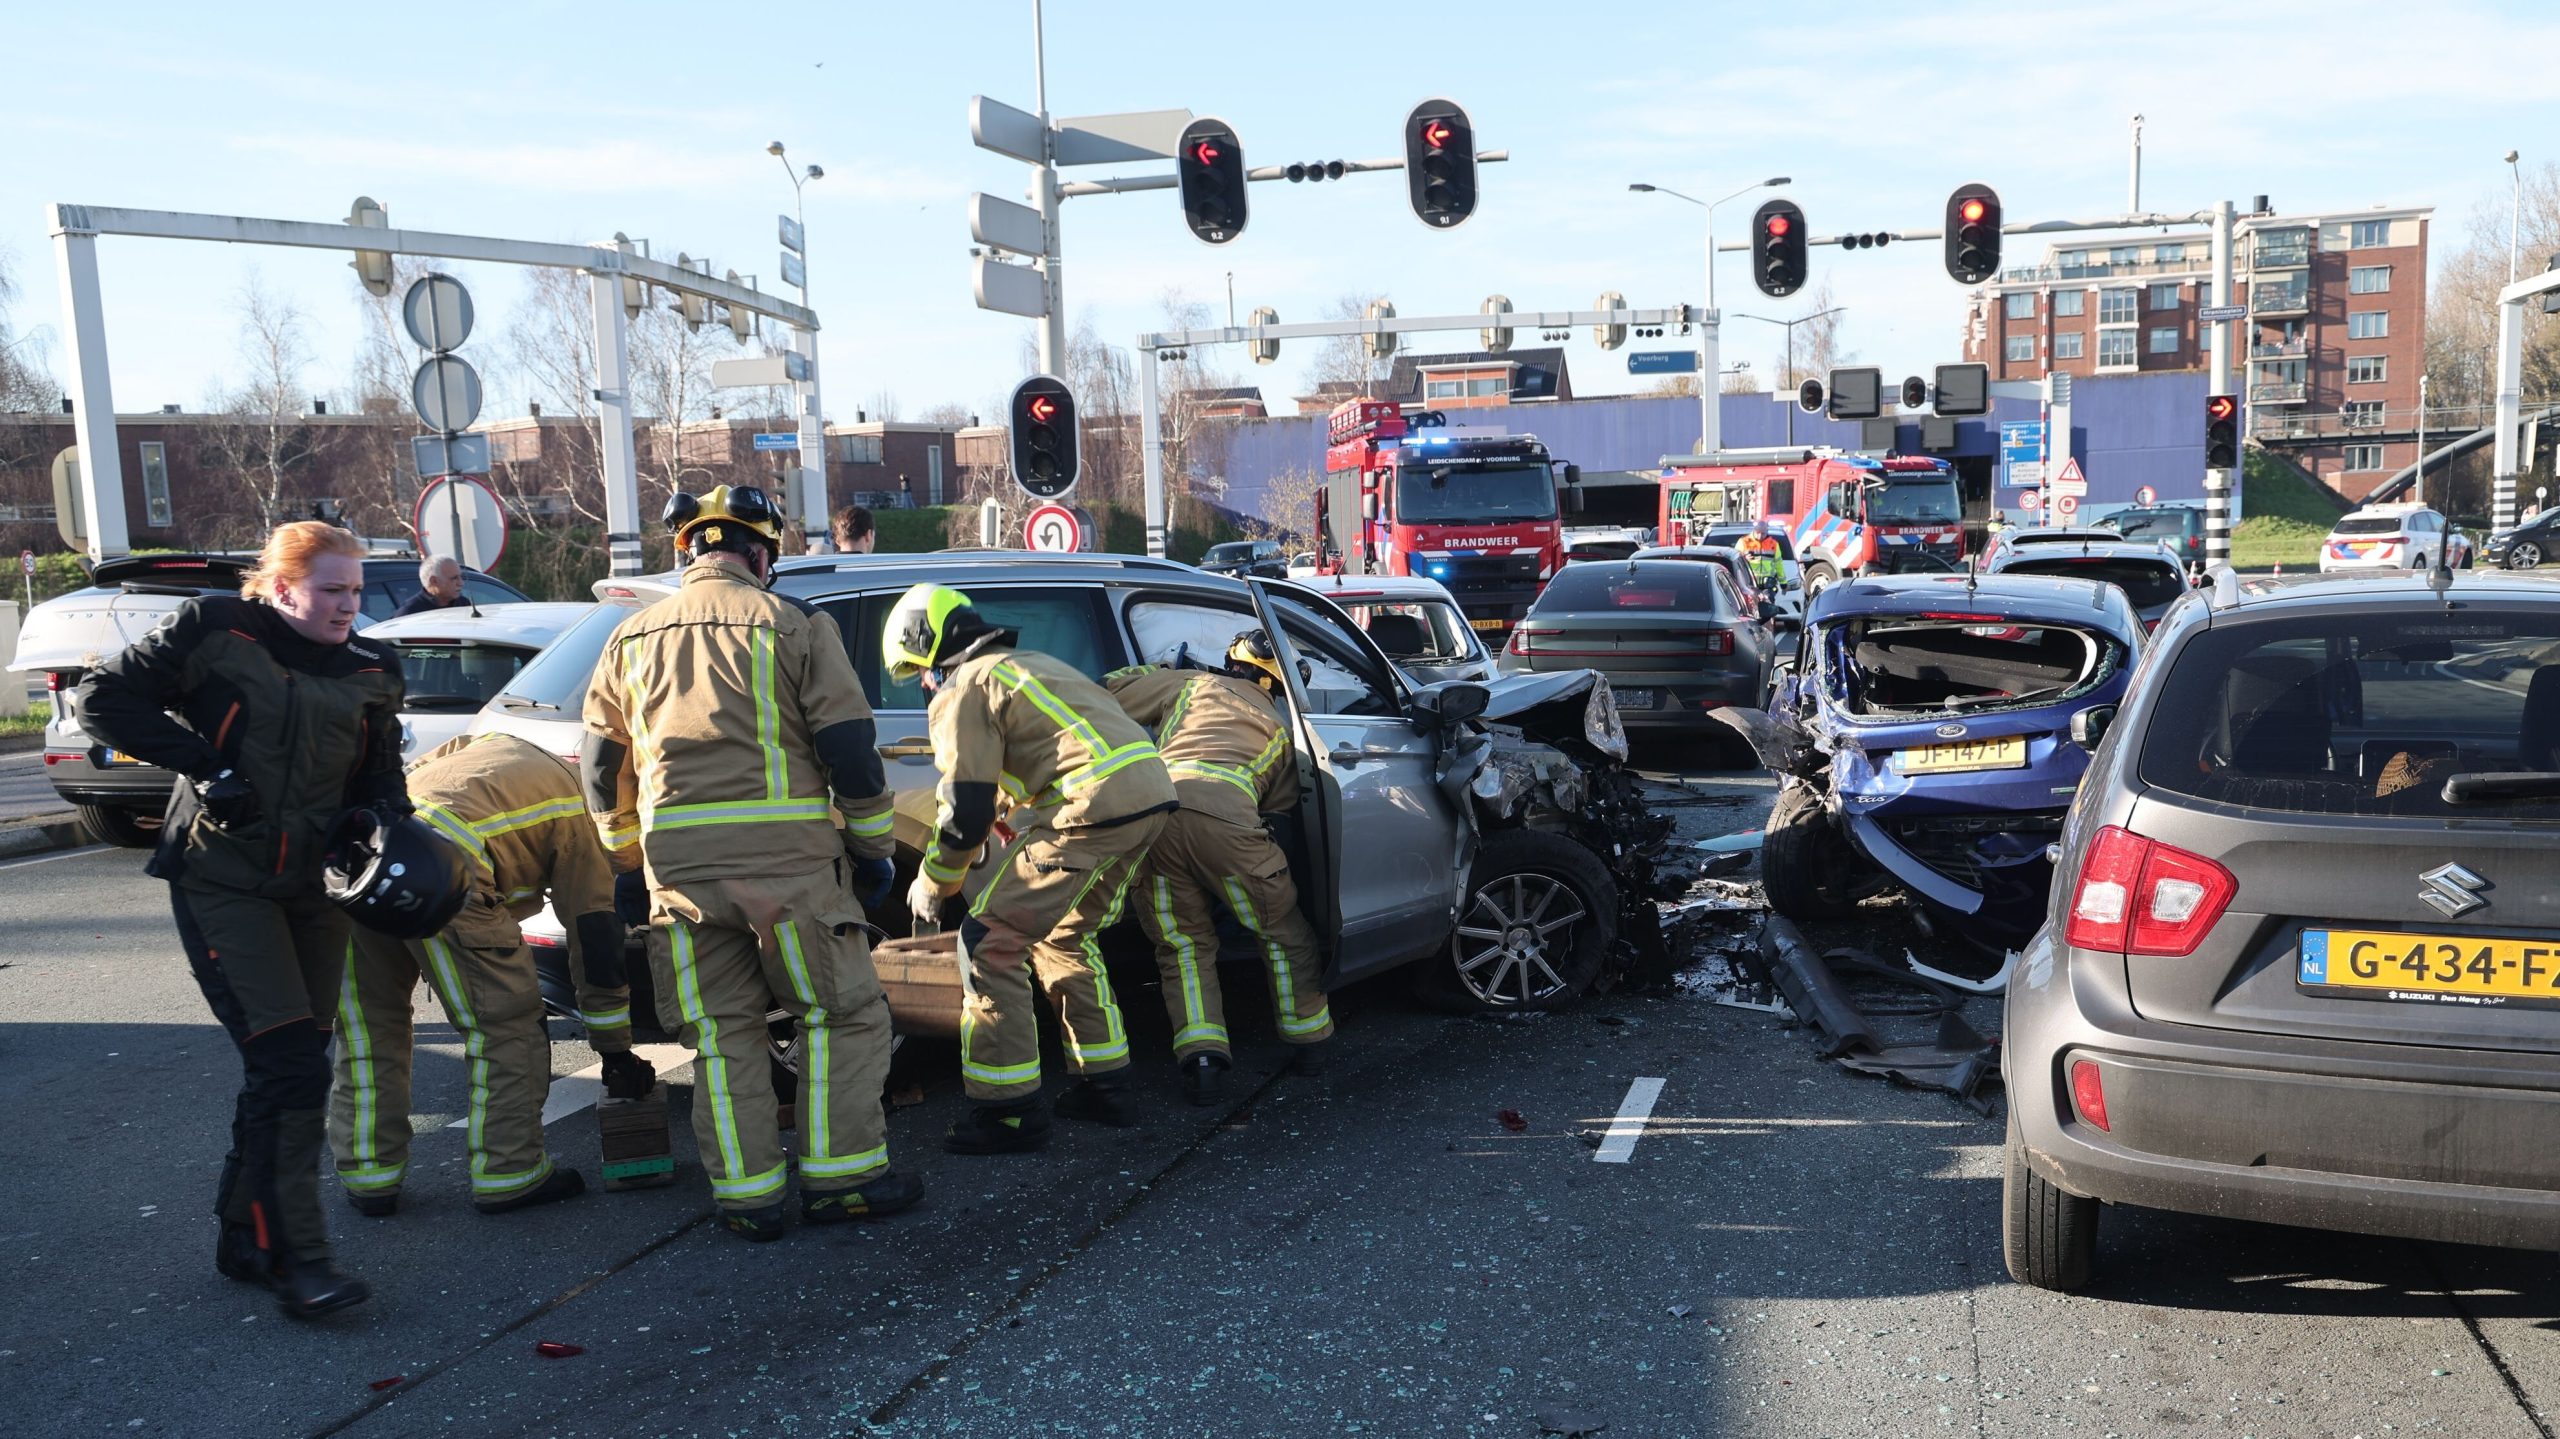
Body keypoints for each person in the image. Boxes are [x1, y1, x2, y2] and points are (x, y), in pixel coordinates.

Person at [77, 520, 410, 1319]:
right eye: (332, 590)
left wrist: (395, 840)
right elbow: (102, 697)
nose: (348, 605)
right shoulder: (217, 628)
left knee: (289, 1066)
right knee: (290, 1066)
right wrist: (205, 765)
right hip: (222, 878)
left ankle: (245, 1237)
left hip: (314, 891)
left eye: (356, 590)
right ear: (282, 587)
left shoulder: (372, 667)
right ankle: (299, 1259)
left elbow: (380, 781)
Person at [582, 484, 917, 1242]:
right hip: (790, 873)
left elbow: (602, 768)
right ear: (762, 555)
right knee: (840, 1015)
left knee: (721, 1035)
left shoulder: (628, 639)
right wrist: (872, 852)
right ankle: (844, 1181)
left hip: (680, 881)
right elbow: (849, 751)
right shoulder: (794, 623)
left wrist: (627, 862)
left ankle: (749, 1199)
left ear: (689, 553)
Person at [885, 583, 1177, 1152]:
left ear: (931, 648)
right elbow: (1040, 753)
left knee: (988, 941)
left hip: (1088, 811)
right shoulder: (1028, 665)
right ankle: (1105, 1086)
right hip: (1148, 799)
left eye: (919, 670)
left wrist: (934, 881)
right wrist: (1003, 809)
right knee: (1064, 937)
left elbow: (964, 810)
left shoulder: (964, 687)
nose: (923, 684)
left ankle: (1009, 1113)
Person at [330, 731, 650, 1217]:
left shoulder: (494, 743)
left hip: (370, 860)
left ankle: (369, 1176)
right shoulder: (582, 814)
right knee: (506, 1025)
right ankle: (511, 1172)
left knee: (369, 1025)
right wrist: (616, 1050)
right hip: (448, 875)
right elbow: (595, 940)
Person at [1105, 645, 1331, 1107]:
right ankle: (1308, 1040)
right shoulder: (1282, 727)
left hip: (1157, 817)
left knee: (1182, 946)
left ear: (1232, 664)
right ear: (1280, 685)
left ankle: (1202, 1061)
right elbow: (1281, 809)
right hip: (1229, 826)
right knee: (1281, 932)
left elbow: (1110, 690)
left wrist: (1164, 667)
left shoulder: (1193, 684)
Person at [392, 556, 469, 618]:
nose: (461, 583)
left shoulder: (463, 604)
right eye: (454, 578)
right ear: (434, 581)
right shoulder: (410, 613)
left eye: (460, 577)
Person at [1739, 519, 1784, 592]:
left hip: (1768, 585)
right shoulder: (1743, 542)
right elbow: (1735, 560)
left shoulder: (1773, 544)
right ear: (1754, 530)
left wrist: (1783, 582)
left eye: (1763, 533)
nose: (1760, 536)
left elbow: (1778, 564)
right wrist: (1744, 559)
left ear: (1767, 531)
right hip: (1749, 583)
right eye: (1758, 533)